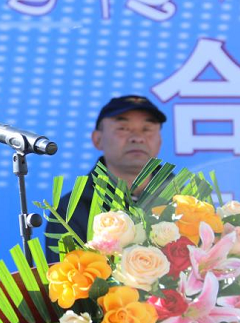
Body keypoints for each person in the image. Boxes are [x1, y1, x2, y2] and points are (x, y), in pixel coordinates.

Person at [44, 95, 166, 262]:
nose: (137, 137)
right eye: (123, 128)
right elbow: (67, 274)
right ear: (97, 139)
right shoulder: (70, 210)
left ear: (160, 141)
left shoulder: (186, 202)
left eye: (147, 129)